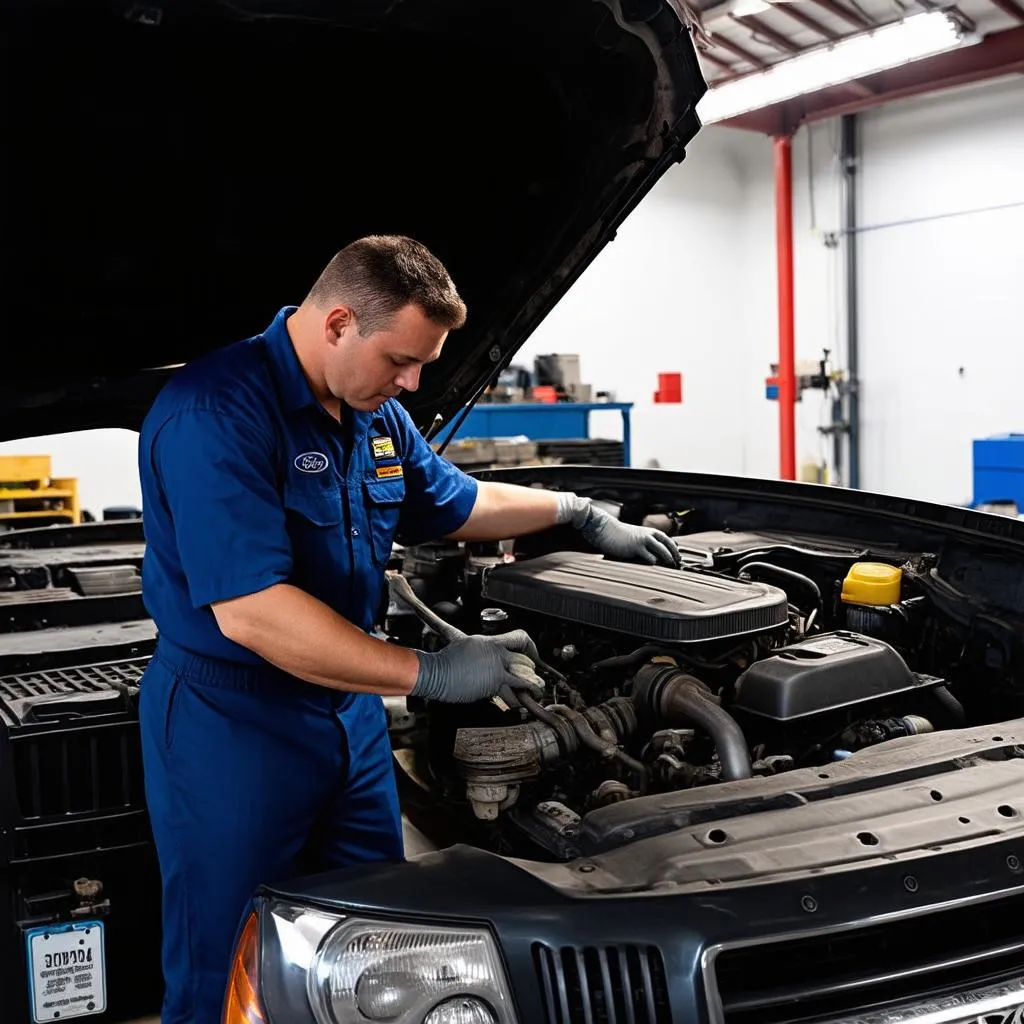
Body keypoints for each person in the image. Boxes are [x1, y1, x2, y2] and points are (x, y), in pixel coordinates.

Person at [136, 234, 680, 1024]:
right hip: (233, 725)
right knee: (227, 966)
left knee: (379, 955)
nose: (413, 381)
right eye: (400, 360)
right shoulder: (216, 411)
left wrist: (577, 512)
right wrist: (427, 673)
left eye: (423, 364)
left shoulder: (375, 413)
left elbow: (455, 503)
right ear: (336, 324)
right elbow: (255, 613)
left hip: (348, 720)